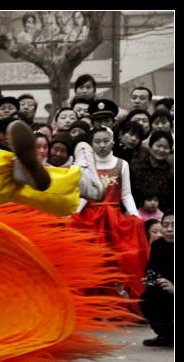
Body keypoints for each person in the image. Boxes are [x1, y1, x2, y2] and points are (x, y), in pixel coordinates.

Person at [69, 126, 148, 300]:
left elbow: (126, 194)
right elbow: (83, 194)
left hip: (113, 219)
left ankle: (115, 297)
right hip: (91, 217)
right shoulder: (86, 165)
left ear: (112, 141)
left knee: (116, 259)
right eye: (97, 142)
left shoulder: (122, 164)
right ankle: (91, 298)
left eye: (106, 141)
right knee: (92, 259)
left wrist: (134, 215)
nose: (102, 145)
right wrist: (74, 214)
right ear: (91, 144)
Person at [139, 211, 173, 347]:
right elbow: (151, 267)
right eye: (165, 225)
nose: (169, 229)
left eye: (174, 225)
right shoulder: (158, 245)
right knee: (147, 298)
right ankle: (167, 335)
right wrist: (150, 280)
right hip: (164, 290)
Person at [130, 130, 173, 213]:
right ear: (150, 146)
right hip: (135, 213)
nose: (161, 150)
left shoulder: (169, 171)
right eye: (158, 146)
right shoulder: (135, 165)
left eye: (166, 147)